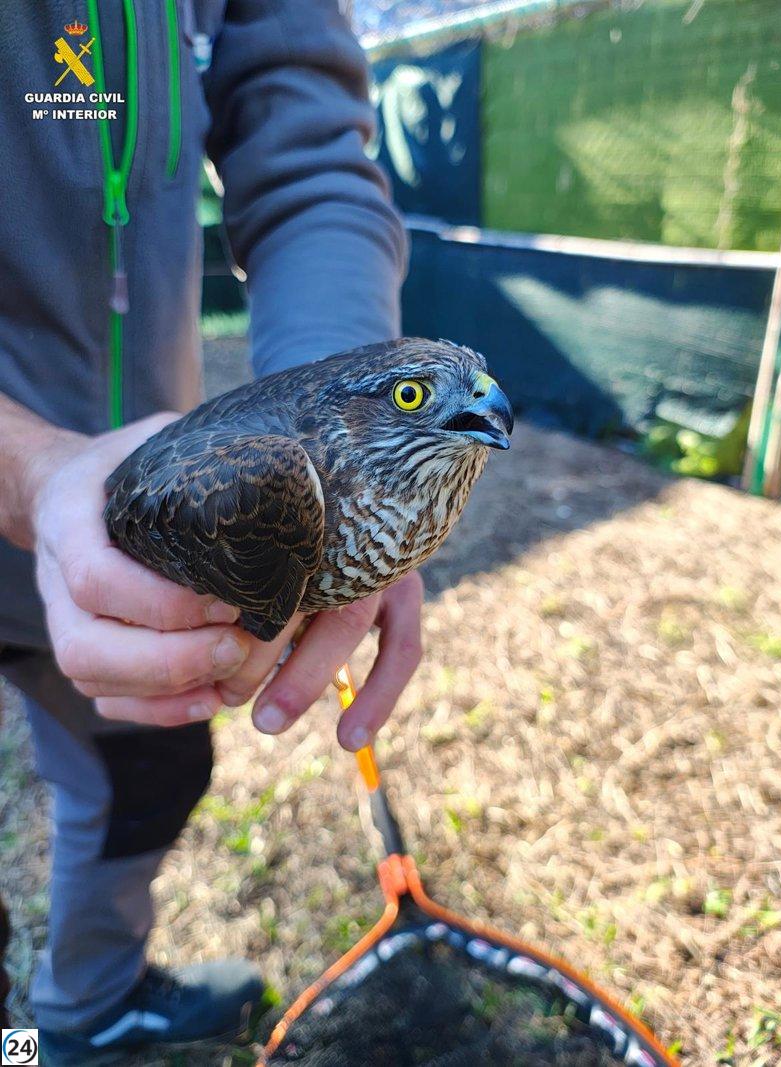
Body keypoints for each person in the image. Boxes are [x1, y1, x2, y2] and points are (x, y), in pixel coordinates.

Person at [0, 3, 422, 1063]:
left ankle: (85, 1011)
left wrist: (346, 452)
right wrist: (28, 468)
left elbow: (307, 156)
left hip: (149, 553)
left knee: (148, 775)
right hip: (57, 488)